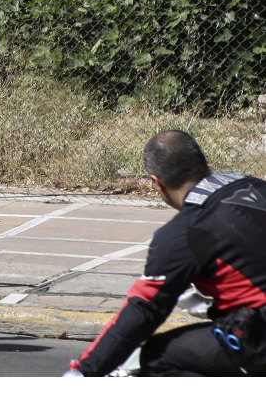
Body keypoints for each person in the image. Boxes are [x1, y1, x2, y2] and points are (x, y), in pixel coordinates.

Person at [75, 130, 266, 377]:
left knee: (157, 355)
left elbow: (144, 310)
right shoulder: (255, 186)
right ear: (202, 163)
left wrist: (85, 371)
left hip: (260, 339)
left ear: (157, 182)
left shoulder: (184, 232)